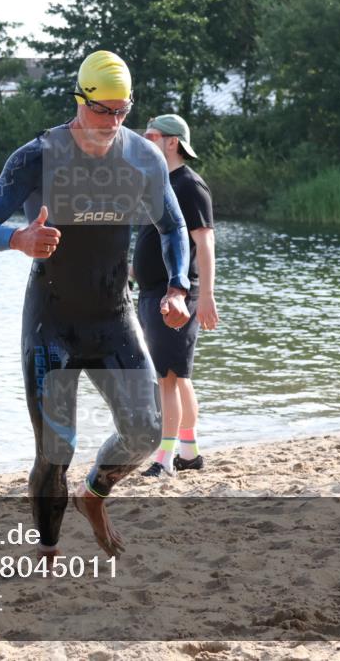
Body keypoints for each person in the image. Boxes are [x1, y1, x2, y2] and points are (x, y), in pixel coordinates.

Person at [0, 50, 191, 558]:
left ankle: (95, 495)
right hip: (52, 320)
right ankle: (47, 550)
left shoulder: (143, 158)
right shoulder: (38, 156)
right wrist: (16, 239)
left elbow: (172, 226)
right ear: (79, 100)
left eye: (122, 111)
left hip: (114, 316)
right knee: (54, 449)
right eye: (102, 110)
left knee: (146, 431)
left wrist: (177, 286)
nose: (112, 122)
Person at [135, 114, 219, 477]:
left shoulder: (189, 185)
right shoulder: (157, 182)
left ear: (172, 142)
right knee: (178, 375)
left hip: (177, 294)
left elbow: (205, 241)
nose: (144, 140)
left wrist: (206, 296)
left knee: (167, 376)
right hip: (152, 290)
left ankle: (164, 458)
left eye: (151, 135)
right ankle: (189, 452)